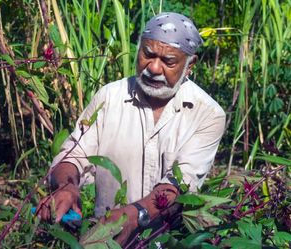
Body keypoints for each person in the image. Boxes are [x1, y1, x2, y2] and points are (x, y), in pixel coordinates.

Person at [37, 12, 226, 246]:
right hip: (103, 238)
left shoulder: (207, 114)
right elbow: (74, 155)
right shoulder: (110, 96)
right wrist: (67, 187)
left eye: (168, 61)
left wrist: (133, 216)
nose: (154, 68)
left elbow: (179, 186)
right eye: (148, 54)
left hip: (167, 240)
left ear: (189, 66)